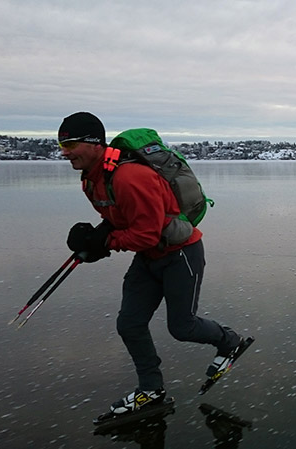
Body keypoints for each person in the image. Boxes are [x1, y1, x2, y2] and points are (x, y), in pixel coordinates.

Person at [57, 112, 249, 418]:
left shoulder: (130, 177)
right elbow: (121, 218)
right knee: (129, 324)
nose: (64, 151)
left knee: (182, 327)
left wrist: (105, 243)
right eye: (61, 143)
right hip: (149, 258)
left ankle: (230, 342)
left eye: (71, 143)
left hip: (181, 255)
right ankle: (151, 390)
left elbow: (146, 234)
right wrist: (97, 235)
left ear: (95, 144)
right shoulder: (91, 181)